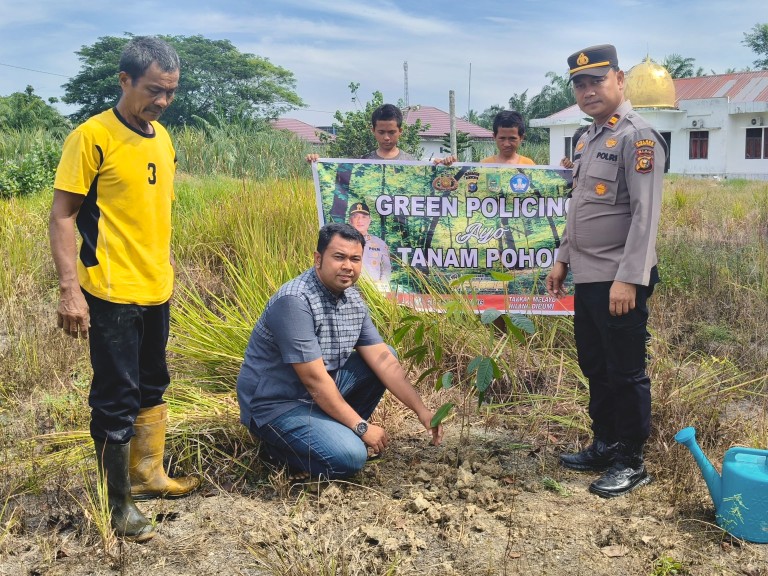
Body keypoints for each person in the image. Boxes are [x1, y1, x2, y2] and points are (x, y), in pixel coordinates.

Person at [49, 36, 199, 541]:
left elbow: (153, 210)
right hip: (111, 290)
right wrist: (70, 289)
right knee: (117, 395)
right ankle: (117, 505)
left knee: (153, 384)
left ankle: (148, 476)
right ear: (124, 80)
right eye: (154, 90)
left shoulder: (163, 138)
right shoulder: (92, 136)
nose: (163, 101)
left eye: (171, 91)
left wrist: (167, 263)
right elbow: (63, 215)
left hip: (157, 287)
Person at [545, 44, 667, 498]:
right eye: (579, 84)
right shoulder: (586, 138)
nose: (588, 90)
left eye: (596, 80)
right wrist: (562, 258)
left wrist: (629, 279)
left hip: (620, 280)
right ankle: (605, 443)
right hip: (588, 276)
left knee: (625, 370)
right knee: (596, 365)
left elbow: (645, 216)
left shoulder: (639, 137)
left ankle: (630, 460)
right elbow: (579, 207)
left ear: (619, 80)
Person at [236, 223, 444, 480]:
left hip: (315, 395)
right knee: (351, 456)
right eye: (339, 257)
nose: (348, 266)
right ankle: (276, 451)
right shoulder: (295, 301)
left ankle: (330, 433)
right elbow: (314, 380)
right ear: (318, 259)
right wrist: (362, 428)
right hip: (277, 405)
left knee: (385, 355)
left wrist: (422, 411)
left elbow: (383, 360)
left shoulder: (353, 299)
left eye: (355, 259)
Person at [306, 103, 457, 163]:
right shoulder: (363, 162)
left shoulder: (411, 162)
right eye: (381, 132)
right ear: (373, 131)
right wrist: (317, 163)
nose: (386, 137)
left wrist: (444, 167)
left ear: (400, 131)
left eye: (391, 132)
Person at [348, 201, 391, 289]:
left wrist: (382, 289)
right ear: (350, 220)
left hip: (373, 290)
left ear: (369, 220)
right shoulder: (342, 242)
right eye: (355, 216)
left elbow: (386, 269)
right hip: (348, 290)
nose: (360, 220)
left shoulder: (380, 244)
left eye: (364, 217)